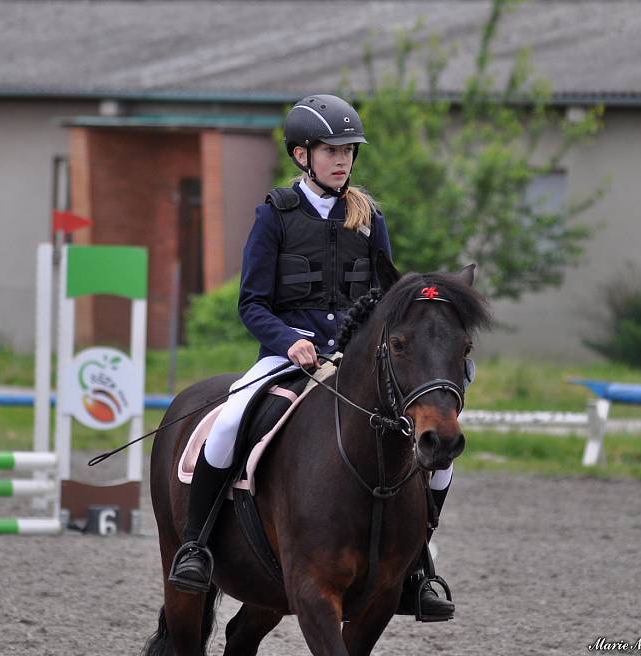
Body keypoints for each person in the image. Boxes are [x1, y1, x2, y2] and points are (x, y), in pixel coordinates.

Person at [169, 94, 455, 622]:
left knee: (431, 449)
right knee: (229, 423)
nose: (343, 160)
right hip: (289, 355)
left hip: (352, 361)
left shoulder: (368, 219)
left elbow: (384, 298)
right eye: (331, 150)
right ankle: (195, 546)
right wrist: (288, 341)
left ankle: (419, 567)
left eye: (349, 150)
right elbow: (251, 303)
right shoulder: (275, 215)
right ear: (302, 155)